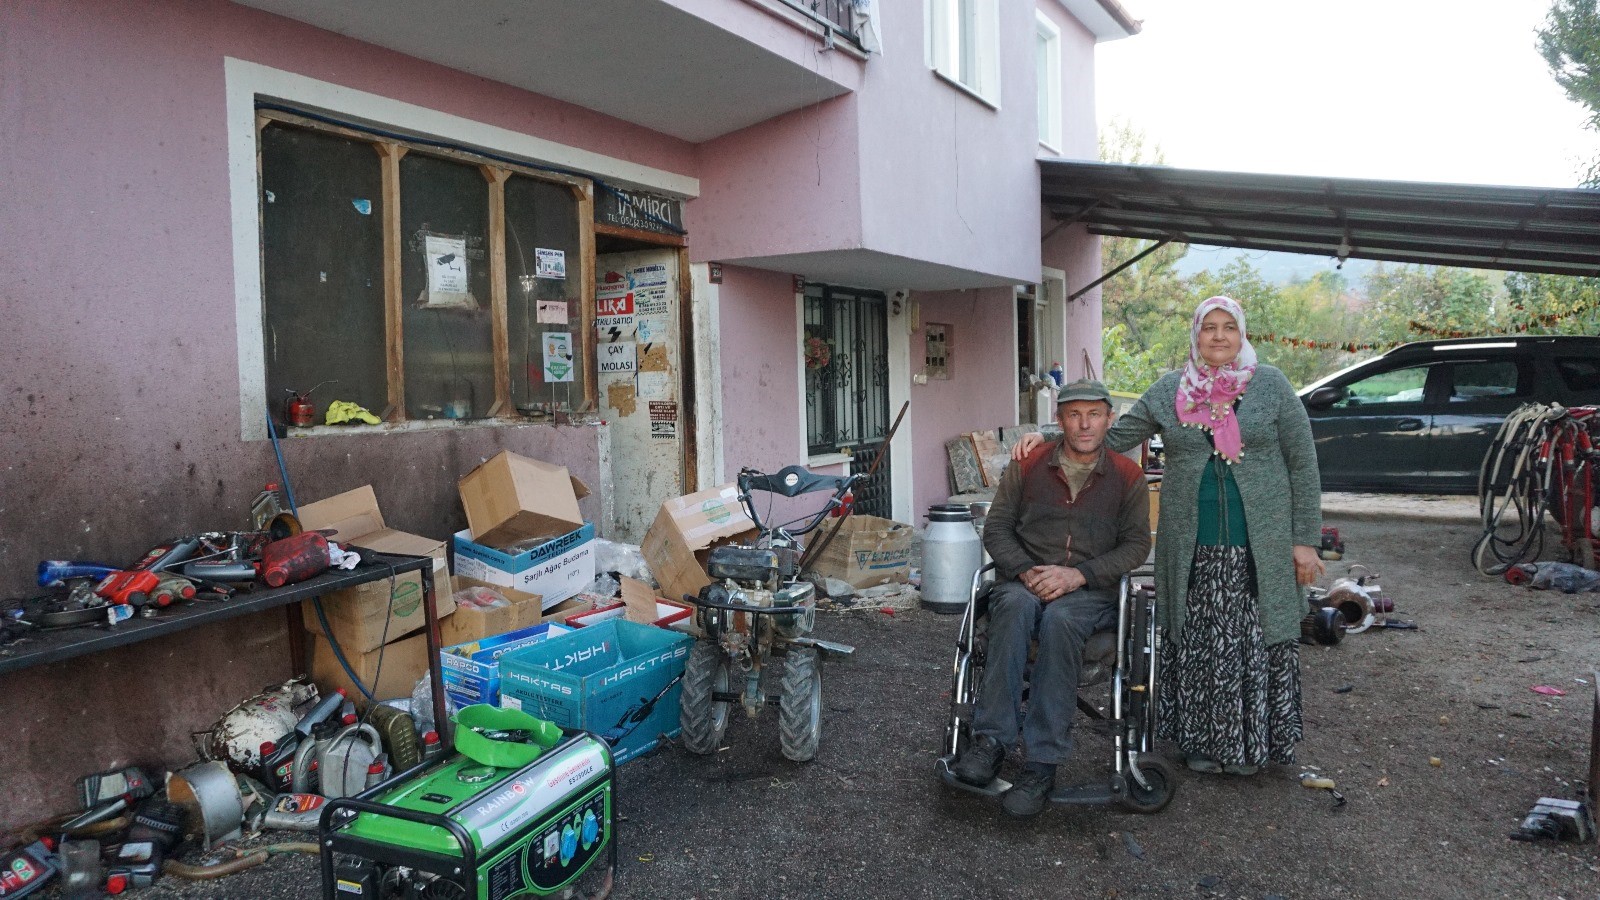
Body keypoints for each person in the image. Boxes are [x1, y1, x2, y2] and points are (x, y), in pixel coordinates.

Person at [1012, 296, 1323, 775]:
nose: (1218, 337)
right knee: (1197, 641)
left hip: (1262, 545)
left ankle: (1250, 748)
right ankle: (1201, 746)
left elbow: (1303, 463)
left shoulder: (1273, 386)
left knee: (1256, 641)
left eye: (1228, 328)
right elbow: (1106, 437)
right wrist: (1046, 440)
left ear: (1242, 335)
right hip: (1191, 543)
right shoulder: (1171, 390)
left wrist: (1305, 540)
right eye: (1209, 328)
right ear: (1195, 335)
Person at [952, 379, 1152, 817]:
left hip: (1089, 591)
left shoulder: (1128, 476)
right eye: (1074, 414)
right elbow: (997, 528)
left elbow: (1137, 545)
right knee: (1014, 608)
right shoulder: (1028, 465)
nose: (1085, 424)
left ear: (1109, 419)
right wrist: (1025, 570)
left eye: (1094, 414)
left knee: (1062, 621)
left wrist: (1078, 575)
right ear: (1059, 420)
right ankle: (991, 743)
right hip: (1022, 580)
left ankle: (1042, 764)